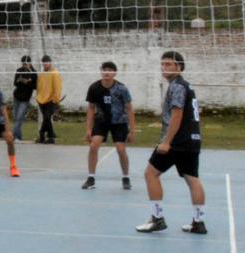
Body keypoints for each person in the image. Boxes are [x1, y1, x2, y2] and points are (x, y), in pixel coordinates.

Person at [136, 51, 206, 235]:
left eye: (168, 64)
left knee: (150, 174)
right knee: (192, 179)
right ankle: (198, 223)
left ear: (179, 67)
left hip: (176, 142)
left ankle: (157, 219)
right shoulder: (187, 86)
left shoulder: (177, 86)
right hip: (192, 140)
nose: (164, 67)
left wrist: (166, 142)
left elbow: (177, 114)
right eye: (162, 64)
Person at [82, 61, 135, 190]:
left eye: (110, 70)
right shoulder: (94, 88)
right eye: (104, 69)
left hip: (119, 121)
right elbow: (91, 108)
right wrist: (88, 129)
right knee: (93, 146)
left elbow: (129, 109)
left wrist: (132, 131)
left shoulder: (121, 88)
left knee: (120, 149)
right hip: (101, 121)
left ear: (114, 73)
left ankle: (126, 177)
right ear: (101, 71)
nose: (107, 72)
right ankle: (91, 178)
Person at [36, 55, 64, 144]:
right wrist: (38, 97)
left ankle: (46, 136)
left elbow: (57, 87)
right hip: (41, 100)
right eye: (43, 63)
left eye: (47, 63)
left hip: (51, 100)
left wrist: (55, 100)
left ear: (50, 63)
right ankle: (48, 137)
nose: (45, 64)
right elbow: (39, 87)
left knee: (47, 118)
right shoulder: (41, 74)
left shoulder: (55, 73)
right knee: (46, 119)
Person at [11, 55, 37, 142]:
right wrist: (20, 81)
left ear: (30, 63)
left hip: (25, 98)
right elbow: (15, 83)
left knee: (19, 117)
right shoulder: (19, 70)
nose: (24, 65)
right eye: (23, 64)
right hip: (17, 96)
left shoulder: (34, 73)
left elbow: (35, 86)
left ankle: (12, 135)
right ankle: (18, 137)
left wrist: (28, 82)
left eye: (26, 64)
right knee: (16, 118)